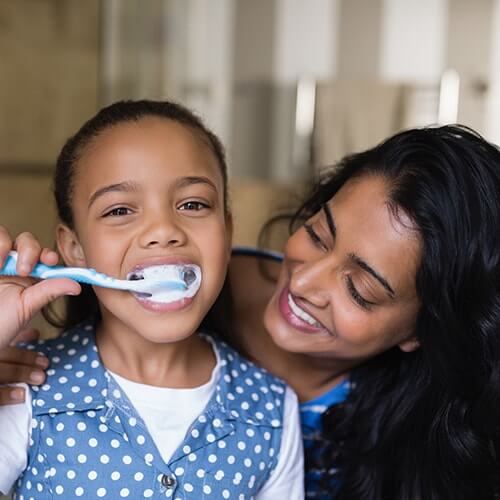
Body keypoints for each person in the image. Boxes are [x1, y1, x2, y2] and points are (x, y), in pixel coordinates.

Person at [2, 124, 500, 499]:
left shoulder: (281, 414)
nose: (303, 282)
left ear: (423, 332)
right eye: (318, 234)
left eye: (361, 289)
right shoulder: (46, 386)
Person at [0, 100, 304, 499]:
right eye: (120, 210)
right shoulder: (23, 389)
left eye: (193, 204)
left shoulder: (271, 411)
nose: (163, 230)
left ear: (227, 232)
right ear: (74, 249)